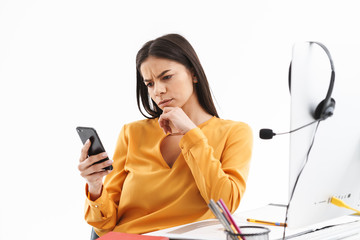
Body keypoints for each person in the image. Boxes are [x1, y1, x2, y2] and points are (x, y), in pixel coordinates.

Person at [78, 33, 253, 239]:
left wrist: (191, 134)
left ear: (194, 73)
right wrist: (95, 186)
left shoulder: (234, 133)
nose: (158, 91)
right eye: (150, 84)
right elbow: (104, 227)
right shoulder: (132, 133)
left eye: (166, 77)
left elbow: (225, 206)